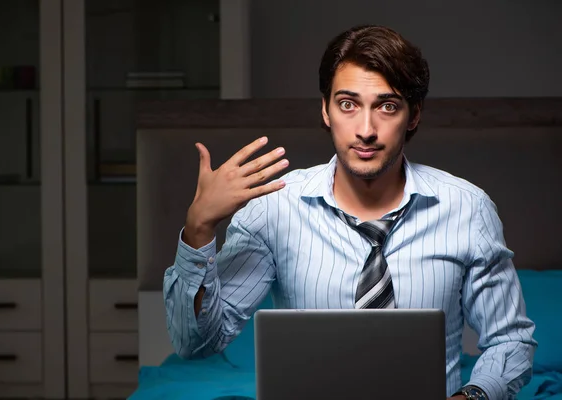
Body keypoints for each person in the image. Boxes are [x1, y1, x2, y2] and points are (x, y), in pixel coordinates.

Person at [163, 24, 537, 399]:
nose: (366, 129)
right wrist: (199, 229)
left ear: (415, 115)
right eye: (348, 104)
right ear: (326, 110)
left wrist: (471, 397)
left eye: (387, 106)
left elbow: (510, 340)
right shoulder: (273, 208)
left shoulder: (468, 209)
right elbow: (196, 345)